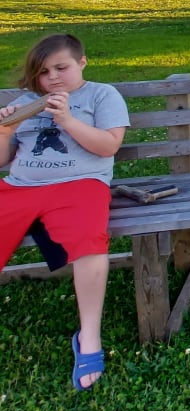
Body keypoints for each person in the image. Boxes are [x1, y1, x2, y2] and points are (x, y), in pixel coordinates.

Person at [0, 34, 130, 390]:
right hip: (20, 186)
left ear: (82, 62)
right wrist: (5, 131)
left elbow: (109, 146)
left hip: (81, 185)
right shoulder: (26, 103)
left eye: (61, 67)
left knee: (89, 241)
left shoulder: (101, 95)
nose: (53, 78)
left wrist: (68, 119)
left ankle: (89, 336)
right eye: (44, 72)